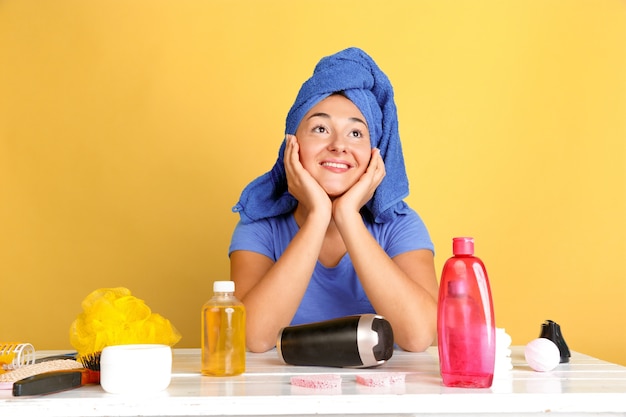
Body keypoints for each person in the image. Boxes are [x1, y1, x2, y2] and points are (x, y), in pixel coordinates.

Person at [229, 47, 438, 353]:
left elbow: (419, 337)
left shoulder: (400, 226)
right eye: (321, 129)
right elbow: (253, 339)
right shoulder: (259, 228)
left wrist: (348, 217)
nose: (339, 145)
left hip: (382, 394)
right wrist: (317, 216)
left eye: (356, 133)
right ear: (292, 144)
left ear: (374, 154)